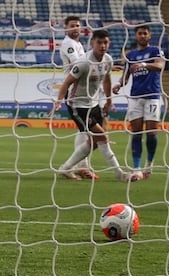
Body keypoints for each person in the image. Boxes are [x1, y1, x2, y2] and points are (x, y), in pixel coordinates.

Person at [52, 29, 139, 183]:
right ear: (93, 43)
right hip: (77, 105)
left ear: (109, 43)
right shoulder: (84, 62)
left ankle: (66, 168)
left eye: (105, 42)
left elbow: (106, 80)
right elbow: (67, 82)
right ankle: (119, 174)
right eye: (99, 42)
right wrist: (59, 101)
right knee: (102, 137)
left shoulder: (108, 60)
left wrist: (109, 101)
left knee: (94, 142)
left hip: (93, 103)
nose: (102, 46)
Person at [112, 24, 165, 178]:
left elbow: (160, 65)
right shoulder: (131, 55)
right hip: (135, 97)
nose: (142, 36)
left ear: (149, 36)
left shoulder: (155, 50)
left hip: (152, 96)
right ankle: (137, 168)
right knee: (136, 133)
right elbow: (126, 76)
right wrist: (118, 85)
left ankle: (149, 164)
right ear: (136, 36)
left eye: (145, 33)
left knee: (151, 133)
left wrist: (144, 64)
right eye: (140, 33)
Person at [56, 16, 97, 180]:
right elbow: (76, 64)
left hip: (83, 91)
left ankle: (82, 166)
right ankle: (76, 167)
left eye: (78, 26)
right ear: (65, 28)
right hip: (74, 91)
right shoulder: (68, 44)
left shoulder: (79, 44)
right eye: (72, 26)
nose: (75, 28)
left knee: (84, 130)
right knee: (85, 129)